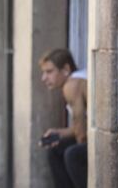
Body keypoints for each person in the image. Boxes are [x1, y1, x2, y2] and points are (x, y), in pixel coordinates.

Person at [39, 49, 87, 188]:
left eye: (49, 72)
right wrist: (60, 133)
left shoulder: (71, 86)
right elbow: (82, 126)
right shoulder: (79, 79)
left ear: (66, 69)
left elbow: (82, 136)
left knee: (73, 155)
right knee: (56, 149)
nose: (44, 78)